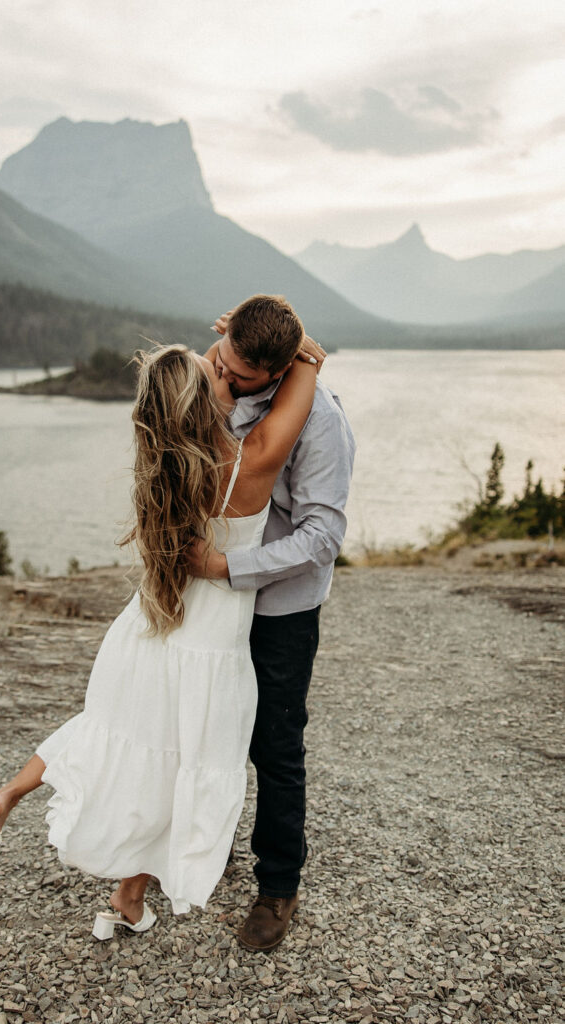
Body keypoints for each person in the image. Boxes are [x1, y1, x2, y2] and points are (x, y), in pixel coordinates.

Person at [0, 338, 321, 939]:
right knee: (173, 767)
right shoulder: (246, 464)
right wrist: (302, 355)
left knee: (118, 738)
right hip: (207, 647)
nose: (225, 375)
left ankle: (13, 803)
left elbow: (196, 382)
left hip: (146, 630)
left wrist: (207, 362)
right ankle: (126, 894)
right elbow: (301, 382)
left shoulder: (163, 467)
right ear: (203, 400)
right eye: (218, 374)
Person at [187, 294, 355, 952]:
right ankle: (206, 847)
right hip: (215, 597)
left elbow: (320, 539)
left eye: (239, 377)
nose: (222, 380)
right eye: (221, 362)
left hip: (280, 606)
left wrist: (227, 567)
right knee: (209, 727)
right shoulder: (222, 368)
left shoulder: (320, 421)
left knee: (275, 747)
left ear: (280, 370)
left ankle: (277, 886)